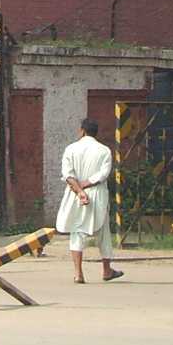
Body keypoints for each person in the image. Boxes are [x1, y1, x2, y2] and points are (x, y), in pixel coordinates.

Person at [55, 117, 124, 283]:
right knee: (103, 232)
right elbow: (103, 174)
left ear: (82, 131)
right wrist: (85, 186)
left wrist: (79, 190)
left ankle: (79, 274)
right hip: (97, 193)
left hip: (75, 193)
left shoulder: (71, 149)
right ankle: (107, 270)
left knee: (77, 231)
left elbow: (68, 174)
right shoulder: (104, 150)